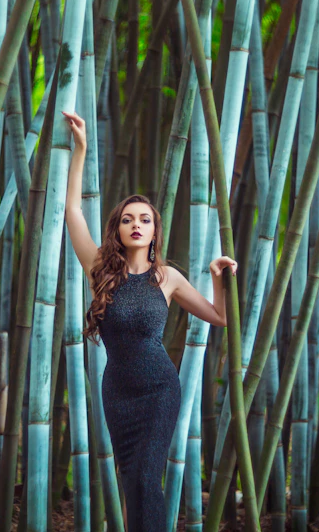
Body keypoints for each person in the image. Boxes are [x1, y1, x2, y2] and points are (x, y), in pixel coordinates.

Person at [62, 110, 238, 531]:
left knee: (145, 478)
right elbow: (72, 211)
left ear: (155, 231)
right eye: (127, 220)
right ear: (118, 230)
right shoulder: (100, 269)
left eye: (144, 220)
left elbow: (219, 317)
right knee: (132, 482)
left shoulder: (168, 278)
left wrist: (217, 277)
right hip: (117, 391)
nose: (136, 225)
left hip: (159, 388)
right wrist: (81, 149)